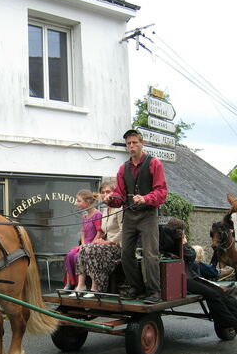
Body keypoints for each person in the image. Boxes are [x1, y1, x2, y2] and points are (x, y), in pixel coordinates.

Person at [105, 129, 168, 304]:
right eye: (128, 144)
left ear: (142, 144)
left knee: (150, 254)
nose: (131, 146)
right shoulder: (123, 168)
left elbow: (162, 192)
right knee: (126, 253)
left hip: (148, 214)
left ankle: (154, 291)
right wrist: (111, 199)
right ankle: (137, 288)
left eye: (134, 143)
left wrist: (146, 198)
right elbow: (119, 195)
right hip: (130, 215)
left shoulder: (154, 163)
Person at [161, 218, 237, 335]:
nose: (183, 234)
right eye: (182, 231)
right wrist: (184, 242)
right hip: (183, 279)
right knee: (212, 294)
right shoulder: (173, 242)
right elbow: (191, 255)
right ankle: (234, 324)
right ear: (178, 231)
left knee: (218, 291)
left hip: (188, 276)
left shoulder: (169, 239)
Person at [74, 183, 123, 296]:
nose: (105, 194)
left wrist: (107, 242)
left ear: (114, 193)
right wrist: (100, 240)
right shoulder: (105, 211)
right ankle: (81, 284)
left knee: (92, 249)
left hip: (117, 246)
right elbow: (104, 231)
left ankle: (95, 287)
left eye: (108, 192)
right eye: (103, 192)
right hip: (106, 245)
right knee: (84, 248)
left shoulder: (119, 209)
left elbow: (123, 231)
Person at [64, 189, 102, 291]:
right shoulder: (85, 215)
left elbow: (99, 232)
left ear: (87, 202)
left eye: (79, 201)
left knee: (77, 256)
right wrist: (83, 244)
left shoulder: (97, 214)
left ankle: (80, 284)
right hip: (85, 244)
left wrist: (90, 245)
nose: (77, 203)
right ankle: (69, 284)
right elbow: (83, 232)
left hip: (93, 245)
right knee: (69, 255)